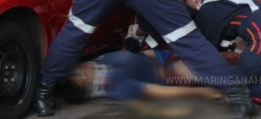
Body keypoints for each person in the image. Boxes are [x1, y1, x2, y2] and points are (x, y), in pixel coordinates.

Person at [35, 0, 255, 118]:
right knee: (188, 40)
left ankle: (44, 96)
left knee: (75, 33)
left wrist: (84, 15)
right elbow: (153, 3)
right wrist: (151, 29)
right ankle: (239, 95)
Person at [62, 49, 221, 104]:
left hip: (163, 55)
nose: (80, 68)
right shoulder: (118, 87)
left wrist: (169, 53)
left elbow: (136, 56)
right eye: (80, 73)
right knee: (206, 67)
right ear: (87, 83)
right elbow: (159, 91)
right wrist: (202, 93)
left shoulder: (100, 62)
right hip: (170, 73)